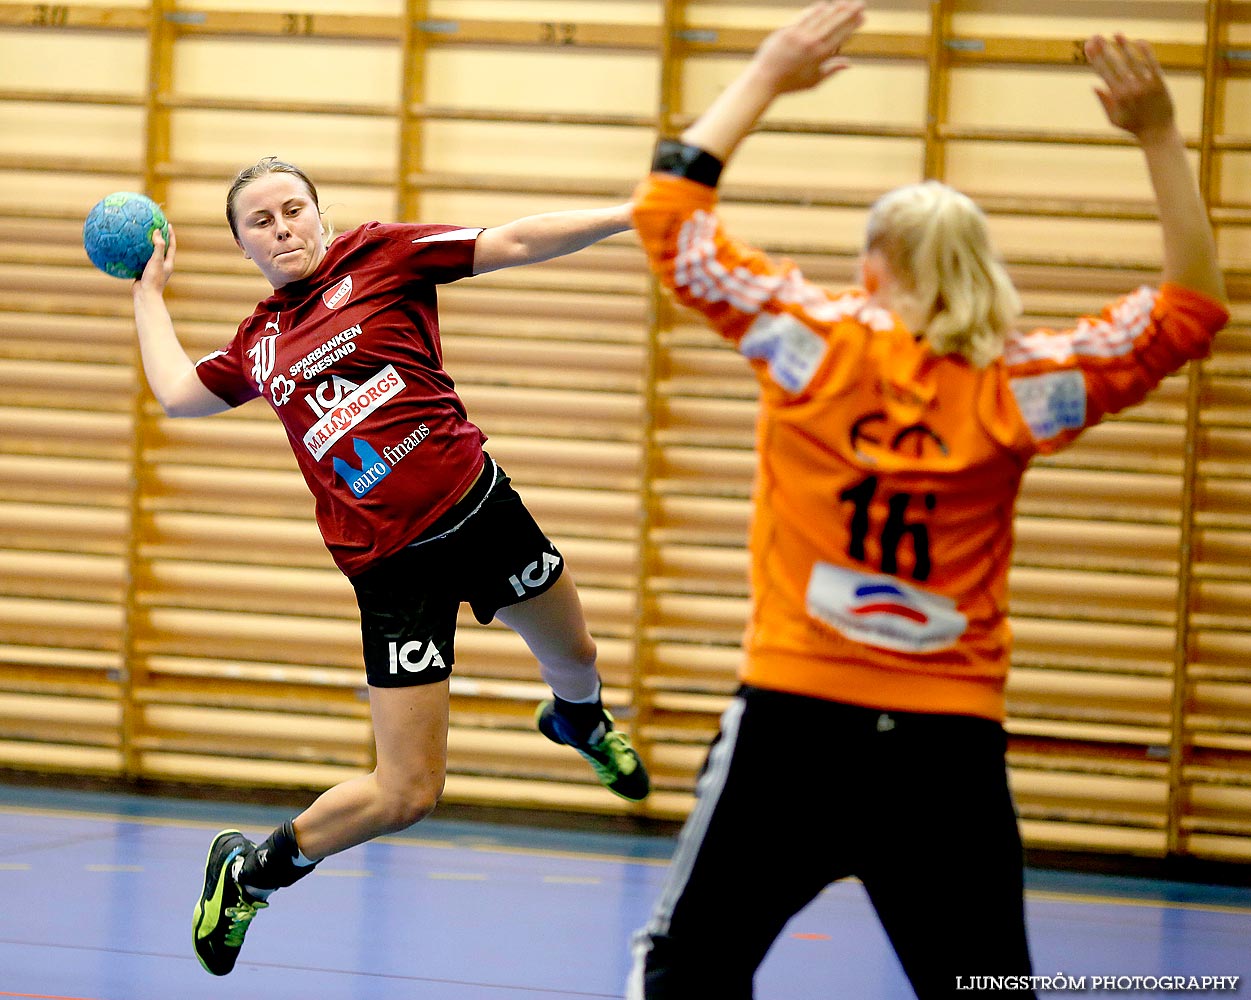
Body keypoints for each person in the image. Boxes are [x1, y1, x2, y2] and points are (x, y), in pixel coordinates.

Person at [627, 3, 1227, 997]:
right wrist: (1160, 133)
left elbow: (669, 221)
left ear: (873, 266)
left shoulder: (812, 342)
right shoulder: (1020, 386)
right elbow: (1188, 311)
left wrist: (768, 75)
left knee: (684, 970)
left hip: (795, 720)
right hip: (947, 746)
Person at [130, 157, 651, 977]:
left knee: (576, 655)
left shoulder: (383, 255)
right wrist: (146, 292)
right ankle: (250, 875)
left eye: (292, 209)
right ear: (242, 247)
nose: (282, 228)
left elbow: (512, 240)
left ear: (317, 213)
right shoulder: (259, 344)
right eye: (260, 222)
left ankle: (577, 720)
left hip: (482, 514)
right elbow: (175, 391)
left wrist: (630, 211)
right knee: (407, 793)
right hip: (390, 569)